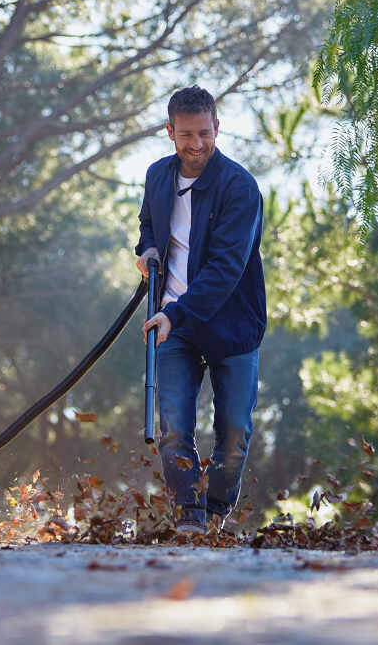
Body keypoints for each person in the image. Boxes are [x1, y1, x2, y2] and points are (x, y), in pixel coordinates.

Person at [135, 85, 266, 535]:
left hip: (231, 325)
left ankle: (215, 514)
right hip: (176, 326)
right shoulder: (157, 175)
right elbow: (149, 223)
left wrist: (177, 312)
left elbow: (225, 268)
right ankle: (188, 518)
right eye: (187, 134)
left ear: (217, 128)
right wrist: (148, 250)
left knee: (233, 431)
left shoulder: (240, 187)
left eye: (205, 133)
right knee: (174, 426)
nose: (197, 144)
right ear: (170, 132)